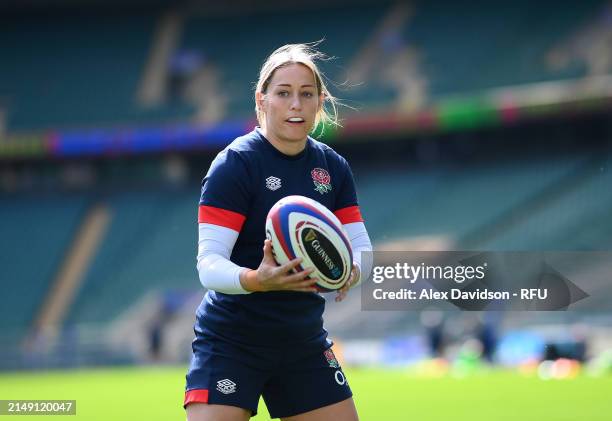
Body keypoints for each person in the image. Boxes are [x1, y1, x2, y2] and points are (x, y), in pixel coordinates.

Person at [184, 43, 373, 421]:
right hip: (232, 341)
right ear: (262, 99)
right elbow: (208, 265)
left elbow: (362, 248)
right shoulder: (236, 164)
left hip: (301, 340)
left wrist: (351, 272)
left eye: (306, 94)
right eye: (283, 93)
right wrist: (258, 279)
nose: (295, 104)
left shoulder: (332, 167)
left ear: (320, 101)